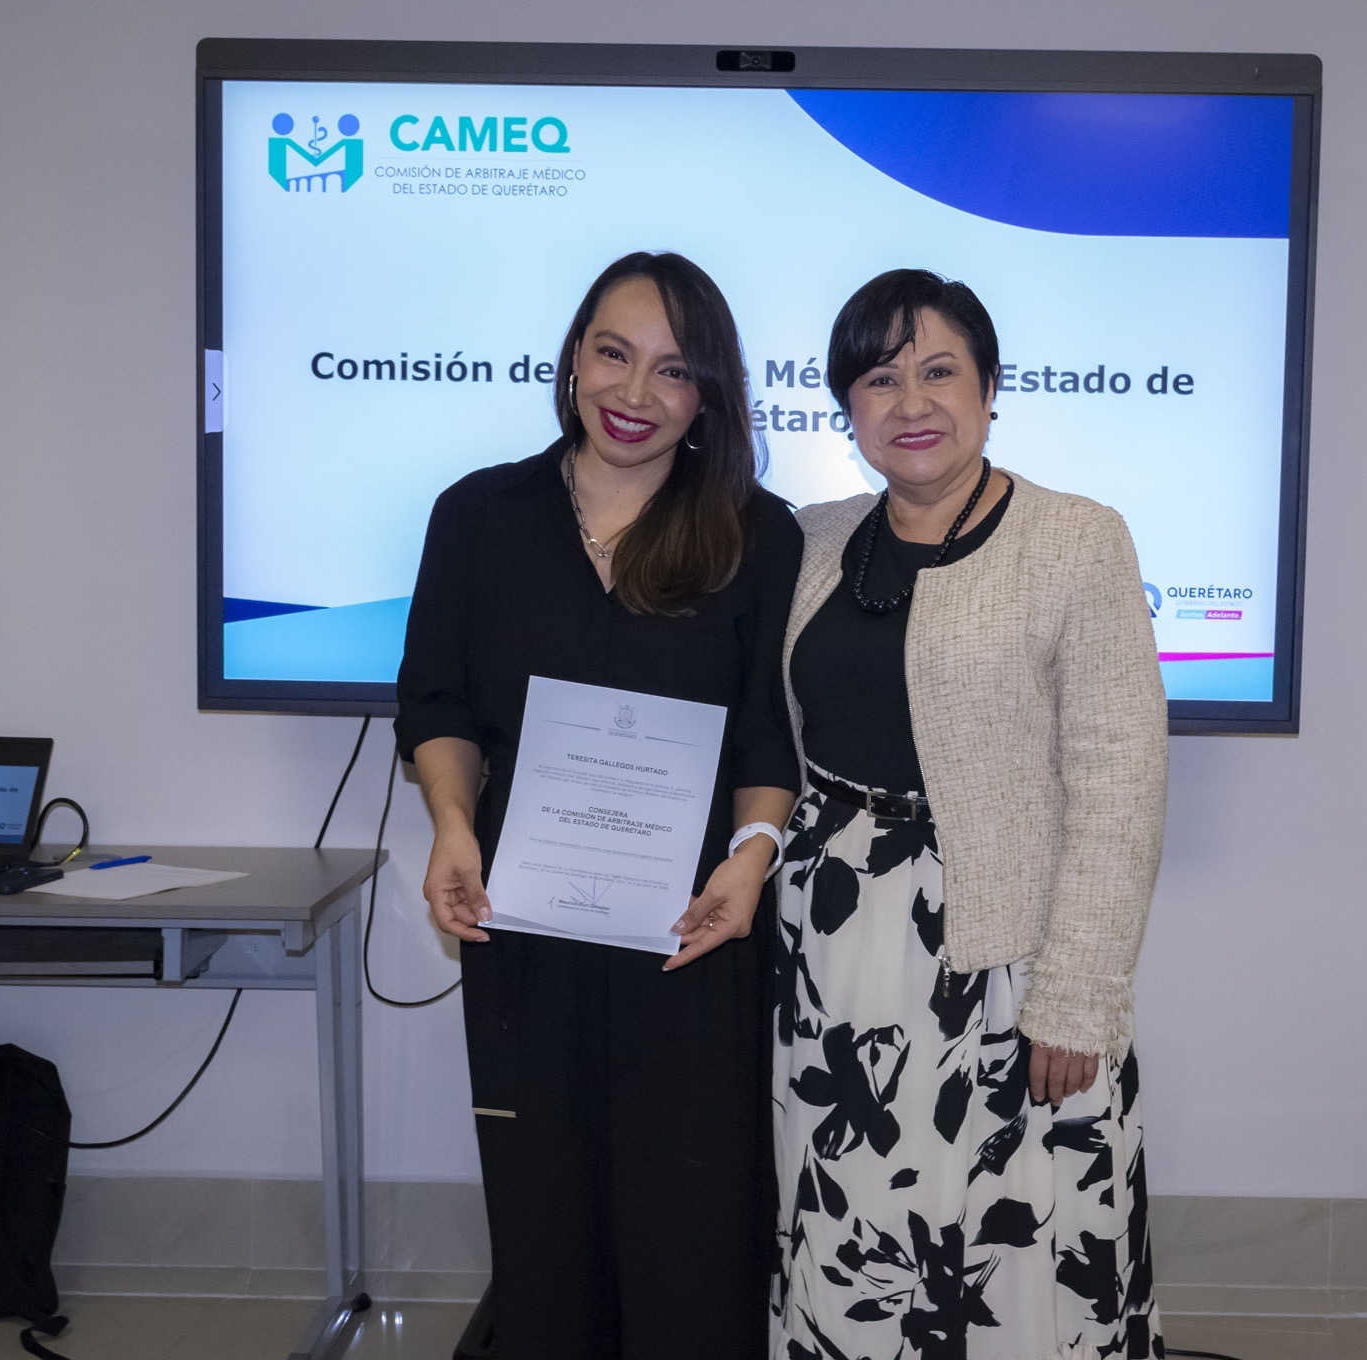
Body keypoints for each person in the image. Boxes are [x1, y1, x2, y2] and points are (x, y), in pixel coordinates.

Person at [396, 251, 802, 1360]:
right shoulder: (480, 514)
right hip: (524, 920)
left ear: (708, 393)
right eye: (614, 354)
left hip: (693, 928)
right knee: (546, 1215)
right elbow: (438, 703)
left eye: (673, 370)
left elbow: (768, 735)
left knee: (693, 1225)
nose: (635, 393)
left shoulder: (758, 533)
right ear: (574, 356)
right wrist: (452, 826)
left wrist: (752, 858)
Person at [772, 269, 1168, 1360]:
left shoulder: (1076, 539)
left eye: (940, 372)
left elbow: (1121, 783)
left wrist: (1076, 995)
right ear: (846, 408)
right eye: (880, 379)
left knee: (1008, 1238)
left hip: (1003, 961)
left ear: (990, 389)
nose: (912, 403)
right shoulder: (812, 539)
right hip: (833, 953)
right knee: (855, 1221)